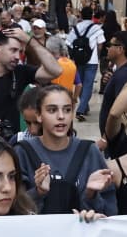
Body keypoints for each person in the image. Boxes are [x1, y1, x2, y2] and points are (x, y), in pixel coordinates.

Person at [15, 84, 116, 216]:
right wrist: (38, 192)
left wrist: (91, 195)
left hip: (80, 235)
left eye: (67, 110)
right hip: (38, 235)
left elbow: (111, 211)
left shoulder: (89, 151)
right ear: (39, 115)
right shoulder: (22, 152)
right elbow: (13, 210)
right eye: (52, 110)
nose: (61, 116)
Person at [98, 30, 127, 138]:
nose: (107, 48)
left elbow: (123, 110)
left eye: (110, 45)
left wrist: (106, 139)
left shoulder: (125, 74)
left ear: (120, 49)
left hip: (120, 139)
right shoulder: (124, 72)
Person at [69, 6, 106, 121]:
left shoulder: (75, 28)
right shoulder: (97, 29)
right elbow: (100, 44)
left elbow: (69, 43)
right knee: (88, 85)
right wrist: (97, 54)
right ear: (92, 15)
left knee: (79, 83)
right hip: (92, 60)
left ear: (81, 15)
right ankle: (81, 109)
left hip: (78, 61)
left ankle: (84, 106)